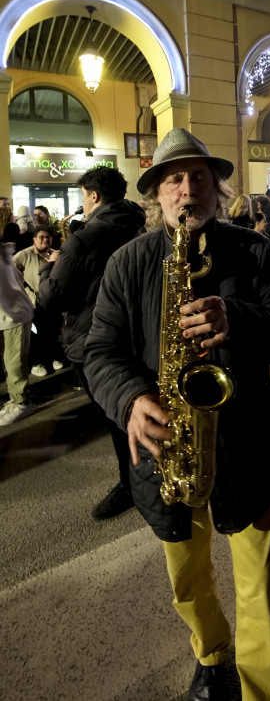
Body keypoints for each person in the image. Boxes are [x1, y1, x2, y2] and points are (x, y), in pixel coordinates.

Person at [84, 128, 270, 701]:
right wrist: (131, 399)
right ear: (157, 192)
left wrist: (238, 316)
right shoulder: (127, 263)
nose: (188, 190)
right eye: (174, 179)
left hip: (246, 447)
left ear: (217, 188)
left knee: (256, 584)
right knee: (186, 581)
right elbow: (100, 351)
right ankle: (211, 654)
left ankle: (263, 690)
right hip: (166, 454)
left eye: (199, 178)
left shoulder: (252, 250)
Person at [38, 166, 146, 520]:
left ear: (94, 196)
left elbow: (52, 298)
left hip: (91, 340)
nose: (82, 202)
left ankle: (132, 485)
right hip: (132, 332)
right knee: (133, 405)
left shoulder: (83, 239)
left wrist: (47, 267)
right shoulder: (137, 225)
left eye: (83, 195)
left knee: (115, 416)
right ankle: (142, 478)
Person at [13, 227, 65, 376]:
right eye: (41, 237)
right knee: (35, 334)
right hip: (33, 301)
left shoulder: (55, 254)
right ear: (34, 239)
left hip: (51, 300)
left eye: (47, 237)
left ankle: (54, 357)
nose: (44, 240)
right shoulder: (25, 254)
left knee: (52, 331)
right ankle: (37, 362)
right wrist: (22, 286)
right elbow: (11, 269)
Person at [0, 241, 35, 425]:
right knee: (8, 361)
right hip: (8, 315)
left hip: (14, 315)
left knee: (14, 362)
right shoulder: (4, 254)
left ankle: (22, 403)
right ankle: (15, 398)